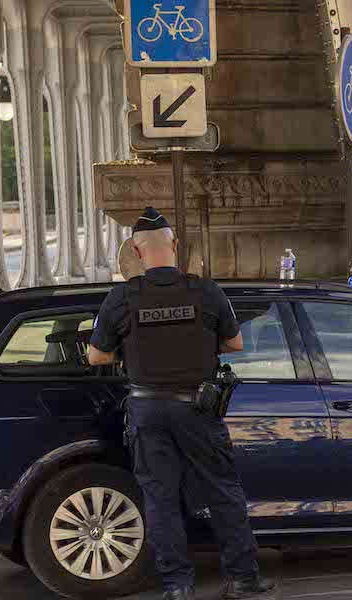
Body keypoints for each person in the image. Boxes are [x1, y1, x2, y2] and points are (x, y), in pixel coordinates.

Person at [88, 208, 274, 600]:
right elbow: (235, 344)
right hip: (198, 407)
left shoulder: (122, 297)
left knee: (160, 498)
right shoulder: (205, 291)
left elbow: (96, 357)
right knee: (223, 491)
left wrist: (133, 351)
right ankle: (242, 579)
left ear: (137, 254)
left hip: (146, 409)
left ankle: (177, 586)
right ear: (175, 247)